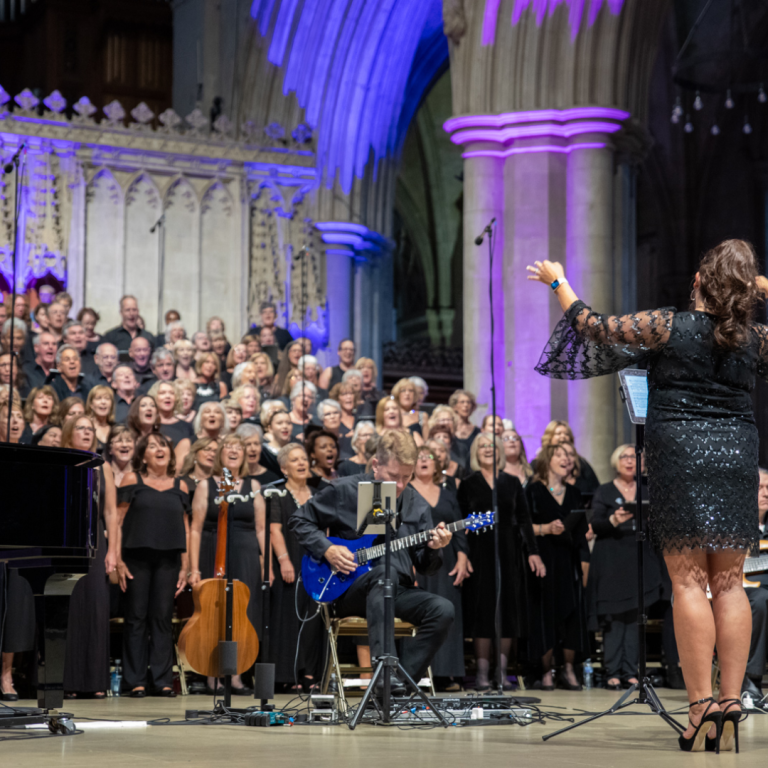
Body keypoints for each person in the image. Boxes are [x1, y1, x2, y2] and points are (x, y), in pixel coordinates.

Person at [529, 241, 768, 751]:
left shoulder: (668, 326)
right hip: (736, 457)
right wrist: (755, 289)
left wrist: (557, 280)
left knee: (689, 583)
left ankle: (700, 709)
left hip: (681, 455)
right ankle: (731, 702)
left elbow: (592, 325)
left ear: (698, 281)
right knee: (730, 585)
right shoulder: (753, 338)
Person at [289, 429, 455, 694]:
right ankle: (383, 672)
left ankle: (396, 687)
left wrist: (435, 548)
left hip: (397, 590)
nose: (400, 485)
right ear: (376, 465)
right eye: (393, 476)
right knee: (382, 577)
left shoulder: (417, 504)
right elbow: (299, 520)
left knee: (442, 609)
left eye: (407, 477)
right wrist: (328, 549)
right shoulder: (345, 490)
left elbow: (426, 567)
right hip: (349, 589)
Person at [458, 432, 544, 691]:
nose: (488, 449)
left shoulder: (511, 482)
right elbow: (460, 522)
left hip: (508, 551)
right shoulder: (468, 483)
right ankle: (482, 674)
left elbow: (524, 520)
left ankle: (502, 673)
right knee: (482, 612)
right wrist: (463, 552)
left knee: (507, 613)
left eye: (492, 446)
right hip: (479, 551)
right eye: (482, 446)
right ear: (476, 452)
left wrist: (533, 551)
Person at [188, 435, 266, 695]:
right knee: (215, 613)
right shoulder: (206, 485)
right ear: (220, 453)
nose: (234, 451)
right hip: (213, 551)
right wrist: (194, 568)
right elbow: (195, 529)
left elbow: (261, 528)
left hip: (246, 554)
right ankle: (214, 675)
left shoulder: (253, 485)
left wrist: (265, 564)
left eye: (238, 447)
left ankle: (236, 675)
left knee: (243, 614)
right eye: (229, 447)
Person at [116, 433, 189, 697]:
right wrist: (118, 560)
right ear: (143, 455)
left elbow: (186, 528)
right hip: (136, 557)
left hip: (169, 559)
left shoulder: (180, 486)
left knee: (162, 618)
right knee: (136, 617)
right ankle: (135, 680)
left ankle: (162, 680)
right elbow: (117, 522)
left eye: (164, 445)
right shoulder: (131, 480)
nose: (160, 449)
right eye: (153, 446)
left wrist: (185, 566)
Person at [589, 445, 665, 690]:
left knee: (635, 618)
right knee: (614, 619)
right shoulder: (605, 490)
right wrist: (613, 519)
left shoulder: (648, 490)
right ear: (616, 461)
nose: (630, 461)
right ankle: (612, 671)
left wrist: (652, 520)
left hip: (640, 558)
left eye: (634, 457)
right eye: (625, 457)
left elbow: (661, 525)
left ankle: (631, 671)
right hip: (611, 559)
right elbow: (595, 524)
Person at [61, 415, 119, 699]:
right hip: (65, 538)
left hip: (95, 539)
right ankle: (67, 680)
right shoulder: (61, 461)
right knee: (69, 608)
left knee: (96, 606)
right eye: (80, 428)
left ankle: (94, 680)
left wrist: (113, 550)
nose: (86, 432)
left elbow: (110, 512)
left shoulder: (102, 465)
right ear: (69, 433)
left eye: (90, 429)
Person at [525, 443, 589, 691]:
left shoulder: (574, 492)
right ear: (547, 460)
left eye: (570, 455)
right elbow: (522, 527)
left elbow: (581, 533)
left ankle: (569, 669)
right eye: (560, 455)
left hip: (568, 561)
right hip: (543, 560)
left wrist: (584, 562)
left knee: (572, 616)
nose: (567, 459)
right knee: (545, 615)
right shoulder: (533, 490)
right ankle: (546, 670)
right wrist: (546, 529)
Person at [410, 445, 472, 691]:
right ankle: (416, 674)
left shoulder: (447, 493)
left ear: (437, 464)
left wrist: (463, 556)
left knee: (448, 615)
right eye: (419, 457)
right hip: (416, 561)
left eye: (429, 457)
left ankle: (446, 674)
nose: (424, 460)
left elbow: (459, 528)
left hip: (446, 564)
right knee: (419, 617)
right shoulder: (406, 491)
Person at [268, 443, 322, 689]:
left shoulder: (318, 494)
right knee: (289, 617)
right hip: (289, 559)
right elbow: (274, 530)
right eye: (294, 460)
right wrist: (284, 560)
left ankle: (309, 673)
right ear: (283, 468)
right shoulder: (278, 494)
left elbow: (325, 530)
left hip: (316, 563)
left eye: (303, 459)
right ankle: (288, 675)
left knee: (313, 618)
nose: (301, 463)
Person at [537, 421, 599, 496]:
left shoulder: (581, 463)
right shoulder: (538, 463)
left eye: (566, 434)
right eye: (558, 433)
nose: (563, 436)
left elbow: (596, 490)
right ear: (549, 438)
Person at [150, 381, 193, 467]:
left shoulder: (186, 427)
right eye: (162, 393)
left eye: (171, 393)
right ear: (154, 398)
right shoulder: (149, 425)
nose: (168, 396)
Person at [177, 437, 219, 501]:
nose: (212, 454)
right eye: (207, 449)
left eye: (216, 452)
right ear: (195, 455)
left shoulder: (219, 484)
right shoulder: (181, 482)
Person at [448, 390, 481, 461]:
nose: (466, 405)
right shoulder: (449, 427)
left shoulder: (477, 431)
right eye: (462, 402)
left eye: (468, 402)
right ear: (455, 406)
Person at [392, 378, 425, 444]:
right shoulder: (392, 415)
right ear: (397, 394)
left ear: (414, 394)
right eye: (403, 390)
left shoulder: (422, 416)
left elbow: (426, 444)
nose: (407, 393)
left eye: (410, 390)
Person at [85, 385, 116, 450]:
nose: (103, 402)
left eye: (107, 398)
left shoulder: (115, 428)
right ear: (91, 404)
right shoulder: (85, 428)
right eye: (98, 398)